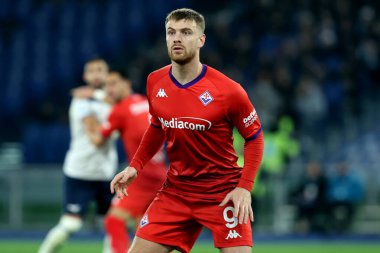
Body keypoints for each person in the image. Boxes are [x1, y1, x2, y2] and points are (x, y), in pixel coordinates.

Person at [111, 8, 264, 253]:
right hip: (176, 193)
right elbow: (157, 126)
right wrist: (135, 165)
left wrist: (244, 187)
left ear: (201, 40)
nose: (177, 38)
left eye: (186, 32)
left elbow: (255, 138)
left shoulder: (228, 91)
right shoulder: (155, 81)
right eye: (171, 32)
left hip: (222, 193)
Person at [72, 70, 167, 253]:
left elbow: (98, 140)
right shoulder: (144, 101)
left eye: (114, 83)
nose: (110, 89)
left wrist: (87, 119)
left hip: (142, 176)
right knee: (144, 228)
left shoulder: (120, 110)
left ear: (127, 83)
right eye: (107, 85)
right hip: (160, 173)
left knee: (113, 221)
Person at [38, 58, 118, 253]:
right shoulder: (81, 101)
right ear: (85, 76)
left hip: (107, 173)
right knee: (71, 224)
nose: (97, 74)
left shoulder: (111, 101)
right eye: (92, 71)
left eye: (100, 70)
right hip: (81, 171)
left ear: (108, 75)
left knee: (114, 224)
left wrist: (100, 96)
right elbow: (97, 138)